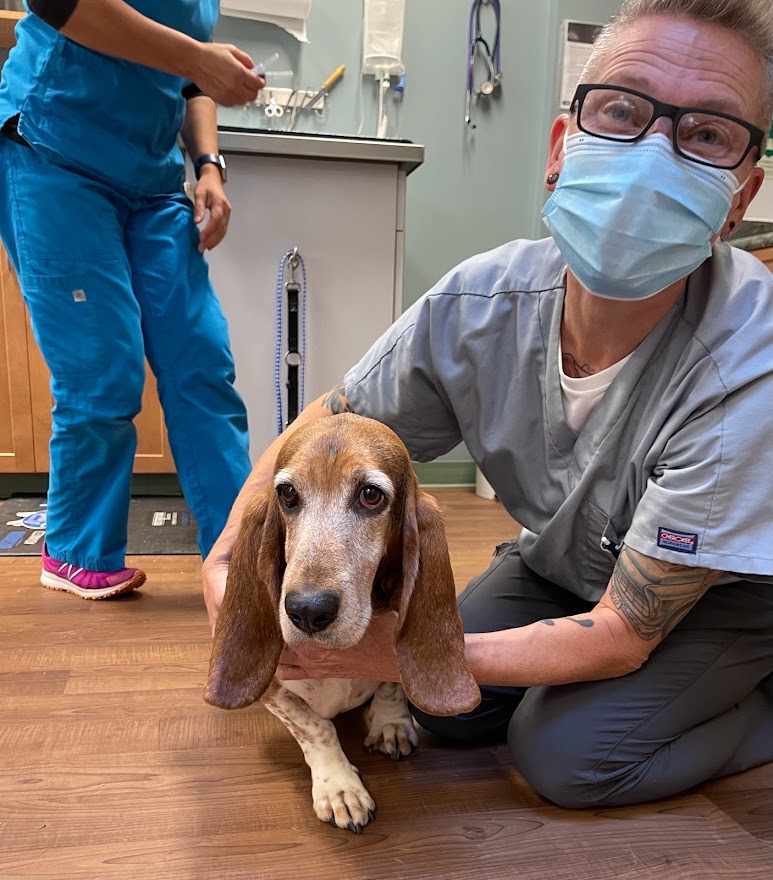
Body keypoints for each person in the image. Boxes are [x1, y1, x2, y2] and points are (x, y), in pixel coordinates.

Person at [203, 0, 773, 808]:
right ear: (559, 146)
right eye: (621, 110)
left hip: (726, 597)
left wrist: (374, 656)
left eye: (706, 134)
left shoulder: (751, 365)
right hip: (575, 561)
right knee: (455, 715)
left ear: (738, 197)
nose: (653, 153)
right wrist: (227, 555)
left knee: (565, 756)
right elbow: (325, 425)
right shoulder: (480, 301)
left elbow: (622, 634)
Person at [0, 0, 265, 598]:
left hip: (151, 179)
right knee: (103, 369)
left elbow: (193, 79)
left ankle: (242, 554)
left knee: (201, 360)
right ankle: (74, 549)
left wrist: (209, 166)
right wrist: (200, 58)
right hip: (53, 148)